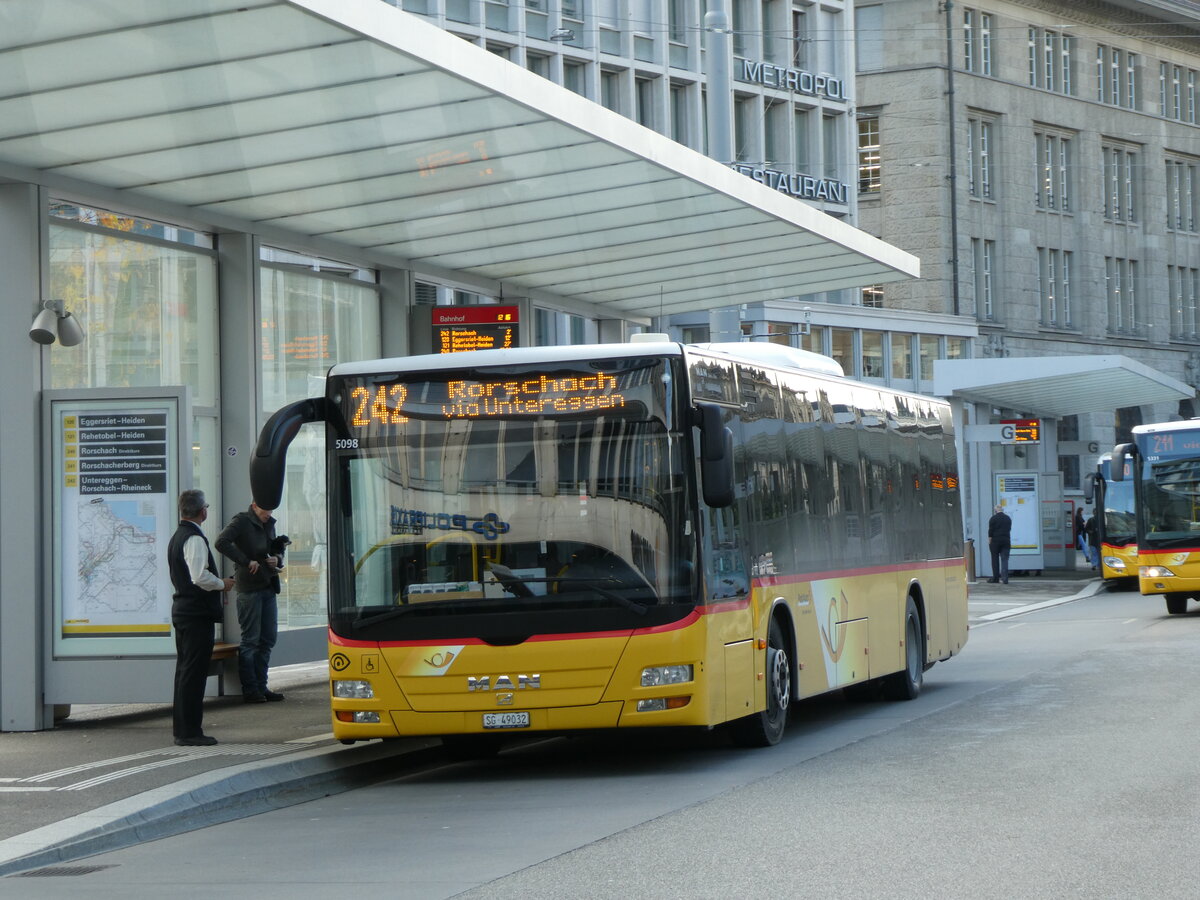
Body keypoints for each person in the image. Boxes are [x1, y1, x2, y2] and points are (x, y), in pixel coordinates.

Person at [169, 489, 235, 746]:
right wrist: (222, 584)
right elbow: (199, 577)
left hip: (184, 611)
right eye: (206, 506)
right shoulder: (194, 539)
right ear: (202, 511)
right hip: (196, 613)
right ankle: (189, 732)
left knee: (184, 672)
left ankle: (183, 729)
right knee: (193, 673)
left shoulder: (177, 536)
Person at [216, 501, 287, 703]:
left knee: (267, 639)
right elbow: (221, 542)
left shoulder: (269, 523)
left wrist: (277, 558)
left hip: (268, 585)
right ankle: (250, 689)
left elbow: (276, 548)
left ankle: (261, 686)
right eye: (266, 510)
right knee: (251, 640)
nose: (269, 514)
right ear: (254, 505)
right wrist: (246, 561)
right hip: (249, 588)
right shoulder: (241, 521)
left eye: (271, 510)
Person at [987, 503, 1012, 584]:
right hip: (1006, 541)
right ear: (1002, 510)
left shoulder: (993, 519)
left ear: (995, 511)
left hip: (995, 541)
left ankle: (996, 578)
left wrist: (990, 541)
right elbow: (1009, 529)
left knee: (995, 559)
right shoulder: (1008, 518)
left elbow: (990, 531)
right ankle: (1005, 578)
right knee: (1005, 560)